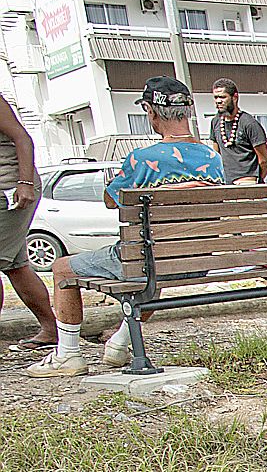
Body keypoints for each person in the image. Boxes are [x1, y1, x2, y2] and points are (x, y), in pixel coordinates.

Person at [28, 77, 224, 378]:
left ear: (151, 111)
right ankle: (119, 344)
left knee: (63, 268)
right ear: (187, 112)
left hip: (148, 261)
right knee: (155, 270)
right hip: (197, 261)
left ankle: (67, 354)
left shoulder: (142, 159)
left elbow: (111, 200)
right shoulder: (214, 158)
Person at [0, 91, 59, 351]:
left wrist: (24, 183)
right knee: (16, 265)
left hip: (10, 189)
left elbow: (23, 138)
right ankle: (52, 329)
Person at [209, 77, 267, 185]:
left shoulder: (249, 123)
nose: (218, 101)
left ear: (235, 97)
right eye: (216, 97)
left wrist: (254, 181)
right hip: (224, 183)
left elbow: (264, 161)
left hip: (247, 183)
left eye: (222, 97)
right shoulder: (215, 122)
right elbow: (216, 155)